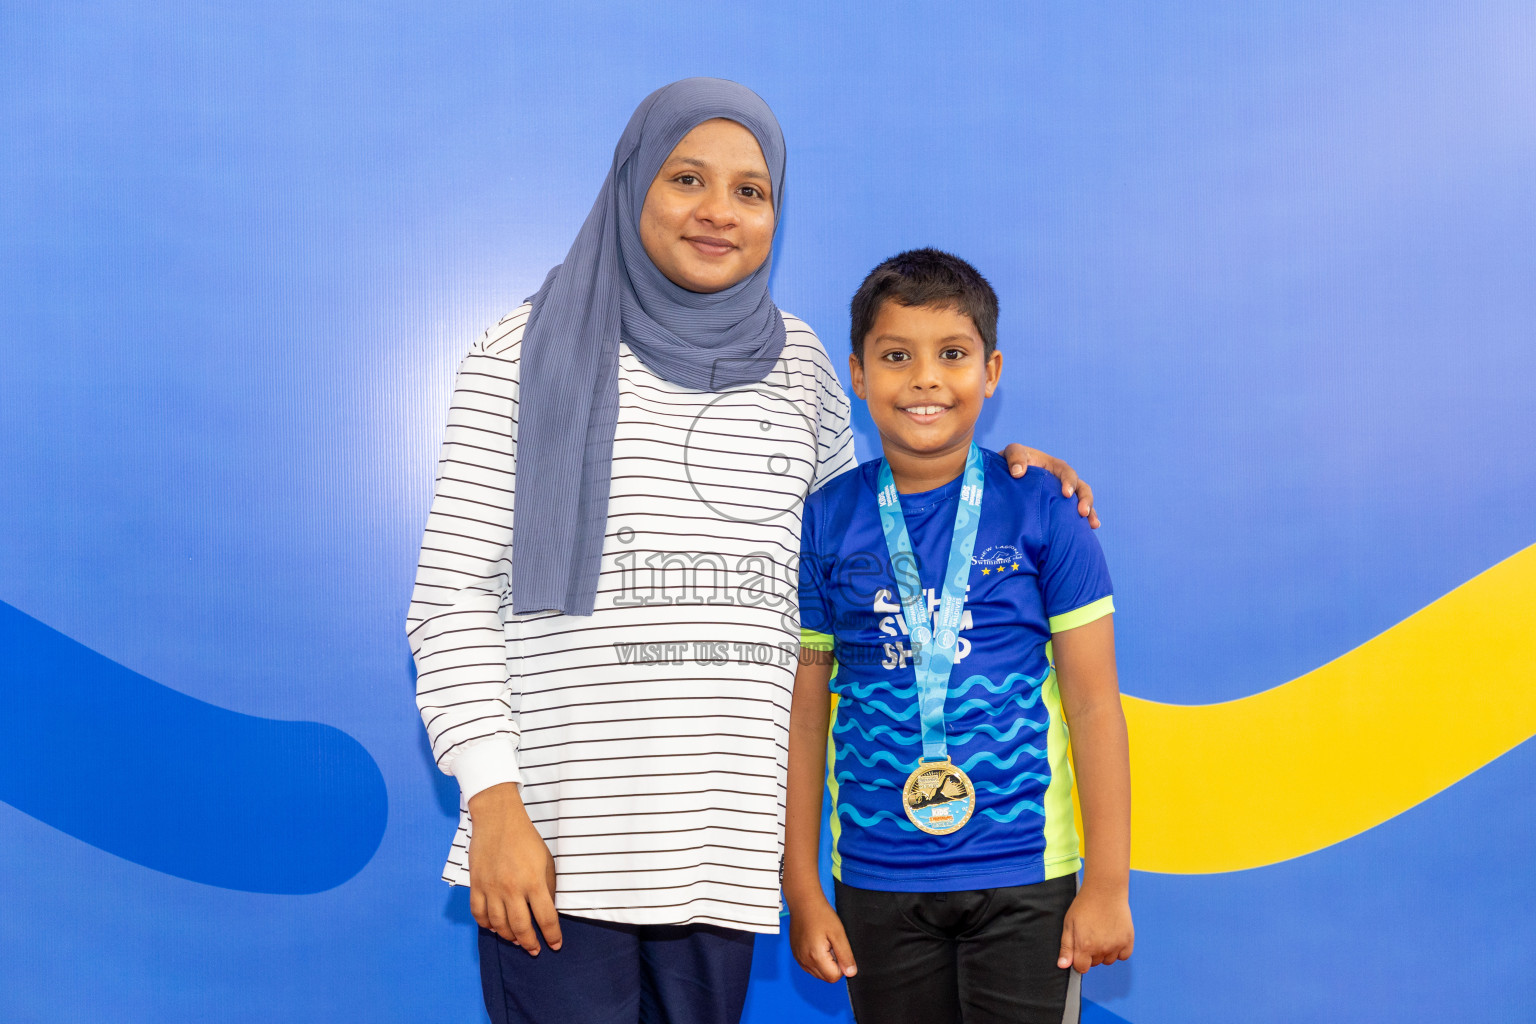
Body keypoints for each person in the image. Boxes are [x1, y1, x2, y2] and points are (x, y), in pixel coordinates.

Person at [407, 80, 1098, 1024]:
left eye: (751, 190)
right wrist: (492, 805)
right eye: (687, 178)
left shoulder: (806, 365)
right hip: (561, 847)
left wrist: (1008, 473)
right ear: (630, 185)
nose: (717, 212)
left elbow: (863, 549)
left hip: (719, 856)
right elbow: (451, 601)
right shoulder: (521, 353)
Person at [785, 249, 1133, 1024]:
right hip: (875, 875)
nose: (925, 380)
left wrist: (1108, 884)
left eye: (952, 355)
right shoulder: (825, 520)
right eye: (896, 357)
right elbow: (806, 714)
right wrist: (802, 886)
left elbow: (1096, 707)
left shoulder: (1044, 508)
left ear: (991, 369)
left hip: (1025, 874)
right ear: (857, 372)